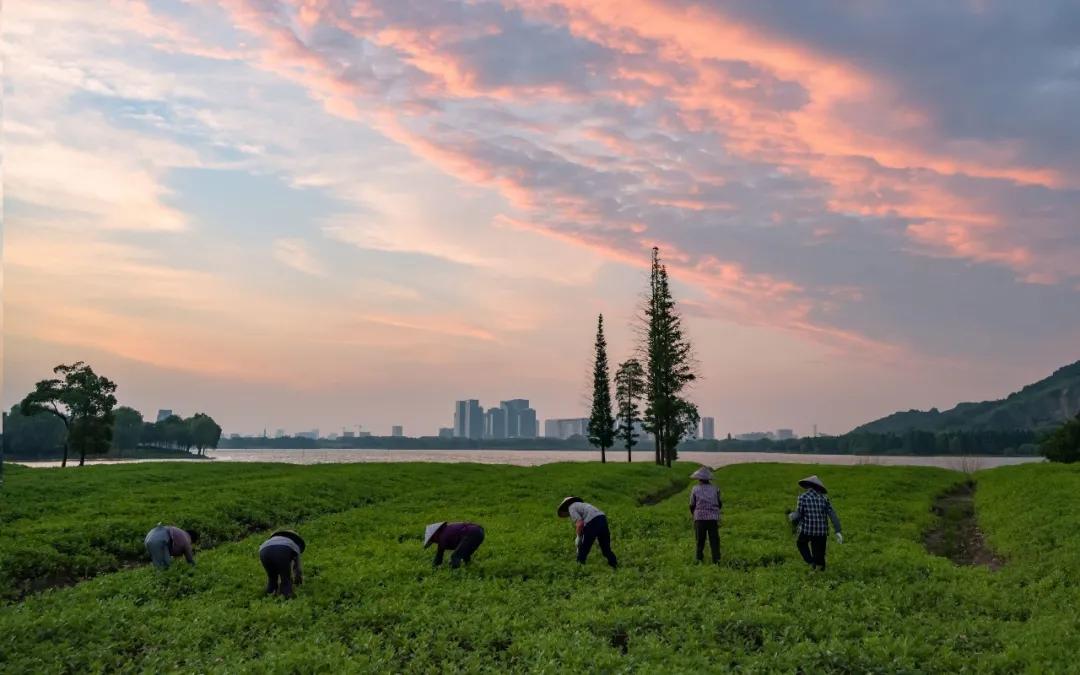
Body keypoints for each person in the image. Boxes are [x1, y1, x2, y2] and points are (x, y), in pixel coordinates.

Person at [788, 475, 842, 570]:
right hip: (822, 532)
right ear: (819, 487)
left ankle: (810, 561)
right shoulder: (824, 499)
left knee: (801, 543)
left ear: (808, 486)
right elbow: (832, 514)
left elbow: (799, 514)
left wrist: (792, 516)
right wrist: (838, 530)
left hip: (807, 530)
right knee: (819, 553)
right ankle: (821, 569)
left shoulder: (802, 497)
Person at [557, 497, 618, 568]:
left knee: (583, 548)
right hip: (602, 518)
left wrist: (578, 537)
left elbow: (580, 524)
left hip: (593, 521)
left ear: (566, 506)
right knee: (606, 548)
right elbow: (585, 524)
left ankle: (578, 568)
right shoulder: (583, 505)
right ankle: (615, 565)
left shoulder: (571, 507)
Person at [689, 466, 722, 564]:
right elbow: (719, 503)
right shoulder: (716, 489)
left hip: (699, 518)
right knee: (714, 540)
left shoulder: (695, 489)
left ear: (699, 479)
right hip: (713, 518)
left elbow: (692, 504)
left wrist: (694, 514)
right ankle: (716, 560)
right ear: (708, 479)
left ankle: (699, 559)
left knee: (700, 540)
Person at [259, 530, 304, 598]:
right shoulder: (293, 544)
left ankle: (269, 596)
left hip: (263, 550)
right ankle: (286, 597)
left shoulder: (272, 540)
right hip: (282, 550)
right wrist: (298, 581)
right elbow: (297, 568)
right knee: (285, 578)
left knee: (272, 578)